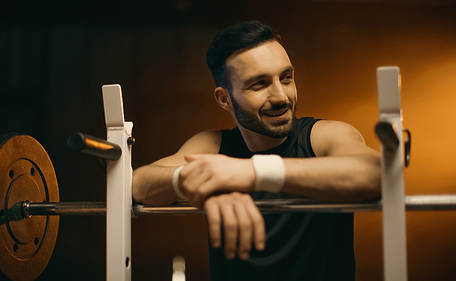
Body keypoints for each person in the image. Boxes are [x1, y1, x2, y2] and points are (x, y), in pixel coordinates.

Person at [132, 21, 381, 280]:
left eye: (286, 78)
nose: (281, 97)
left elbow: (378, 172)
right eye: (259, 84)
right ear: (225, 99)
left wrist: (251, 171)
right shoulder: (214, 146)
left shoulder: (323, 136)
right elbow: (136, 183)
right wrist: (193, 181)